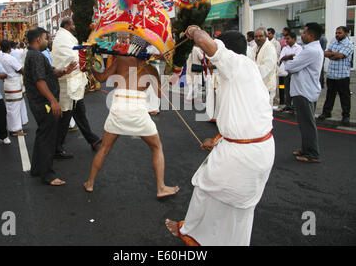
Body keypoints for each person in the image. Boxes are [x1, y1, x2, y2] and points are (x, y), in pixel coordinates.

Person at [165, 28, 274, 246]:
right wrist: (216, 140)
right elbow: (241, 118)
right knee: (236, 206)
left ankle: (190, 232)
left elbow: (205, 41)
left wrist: (193, 30)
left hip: (243, 154)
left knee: (204, 186)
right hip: (254, 149)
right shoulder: (243, 70)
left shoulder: (236, 64)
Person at [83, 55, 180, 198]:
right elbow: (161, 94)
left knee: (104, 148)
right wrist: (167, 73)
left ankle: (90, 183)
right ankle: (161, 187)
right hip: (138, 112)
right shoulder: (151, 69)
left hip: (118, 108)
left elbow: (102, 78)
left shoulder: (121, 60)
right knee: (157, 147)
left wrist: (90, 67)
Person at [24, 27, 77, 186]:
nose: (49, 41)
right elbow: (40, 81)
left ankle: (37, 168)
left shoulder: (35, 55)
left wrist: (64, 71)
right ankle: (48, 174)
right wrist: (53, 101)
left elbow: (49, 72)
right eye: (47, 38)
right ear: (39, 39)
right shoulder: (36, 56)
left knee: (42, 135)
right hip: (44, 104)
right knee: (48, 138)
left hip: (40, 102)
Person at [52, 18, 102, 158]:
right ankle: (56, 148)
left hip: (73, 82)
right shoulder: (62, 38)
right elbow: (71, 58)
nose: (74, 26)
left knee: (80, 112)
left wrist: (85, 53)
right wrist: (85, 58)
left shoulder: (65, 37)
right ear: (67, 26)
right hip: (68, 83)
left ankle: (93, 139)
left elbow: (75, 54)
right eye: (73, 24)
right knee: (65, 116)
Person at [283, 23, 324, 163]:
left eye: (305, 33)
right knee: (304, 123)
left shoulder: (311, 50)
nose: (302, 35)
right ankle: (306, 149)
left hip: (304, 91)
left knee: (307, 123)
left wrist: (286, 60)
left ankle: (312, 153)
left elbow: (292, 67)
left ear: (311, 35)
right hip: (303, 89)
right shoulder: (311, 49)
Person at [318, 26, 354, 126]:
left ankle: (346, 116)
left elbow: (340, 56)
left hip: (342, 75)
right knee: (330, 95)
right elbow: (326, 53)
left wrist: (332, 55)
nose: (337, 35)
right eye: (336, 33)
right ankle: (326, 113)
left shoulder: (349, 44)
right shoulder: (334, 41)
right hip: (331, 75)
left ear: (346, 33)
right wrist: (333, 54)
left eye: (339, 33)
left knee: (344, 97)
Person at [0, 40, 27, 136]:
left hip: (7, 83)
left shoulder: (0, 57)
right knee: (15, 107)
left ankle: (14, 127)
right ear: (10, 48)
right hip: (13, 83)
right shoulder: (10, 58)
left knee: (11, 107)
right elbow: (20, 69)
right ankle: (15, 129)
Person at [249, 28, 277, 106]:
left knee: (265, 111)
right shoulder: (255, 48)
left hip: (266, 85)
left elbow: (267, 68)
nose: (258, 38)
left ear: (266, 36)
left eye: (261, 36)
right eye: (256, 36)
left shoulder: (270, 47)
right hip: (256, 85)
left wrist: (253, 72)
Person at [279, 32, 303, 112]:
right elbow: (281, 58)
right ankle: (288, 105)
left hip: (296, 72)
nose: (287, 41)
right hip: (286, 72)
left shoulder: (299, 48)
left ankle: (295, 106)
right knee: (287, 89)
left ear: (294, 39)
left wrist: (288, 57)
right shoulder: (285, 48)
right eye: (286, 39)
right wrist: (289, 56)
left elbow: (297, 59)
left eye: (288, 39)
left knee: (295, 89)